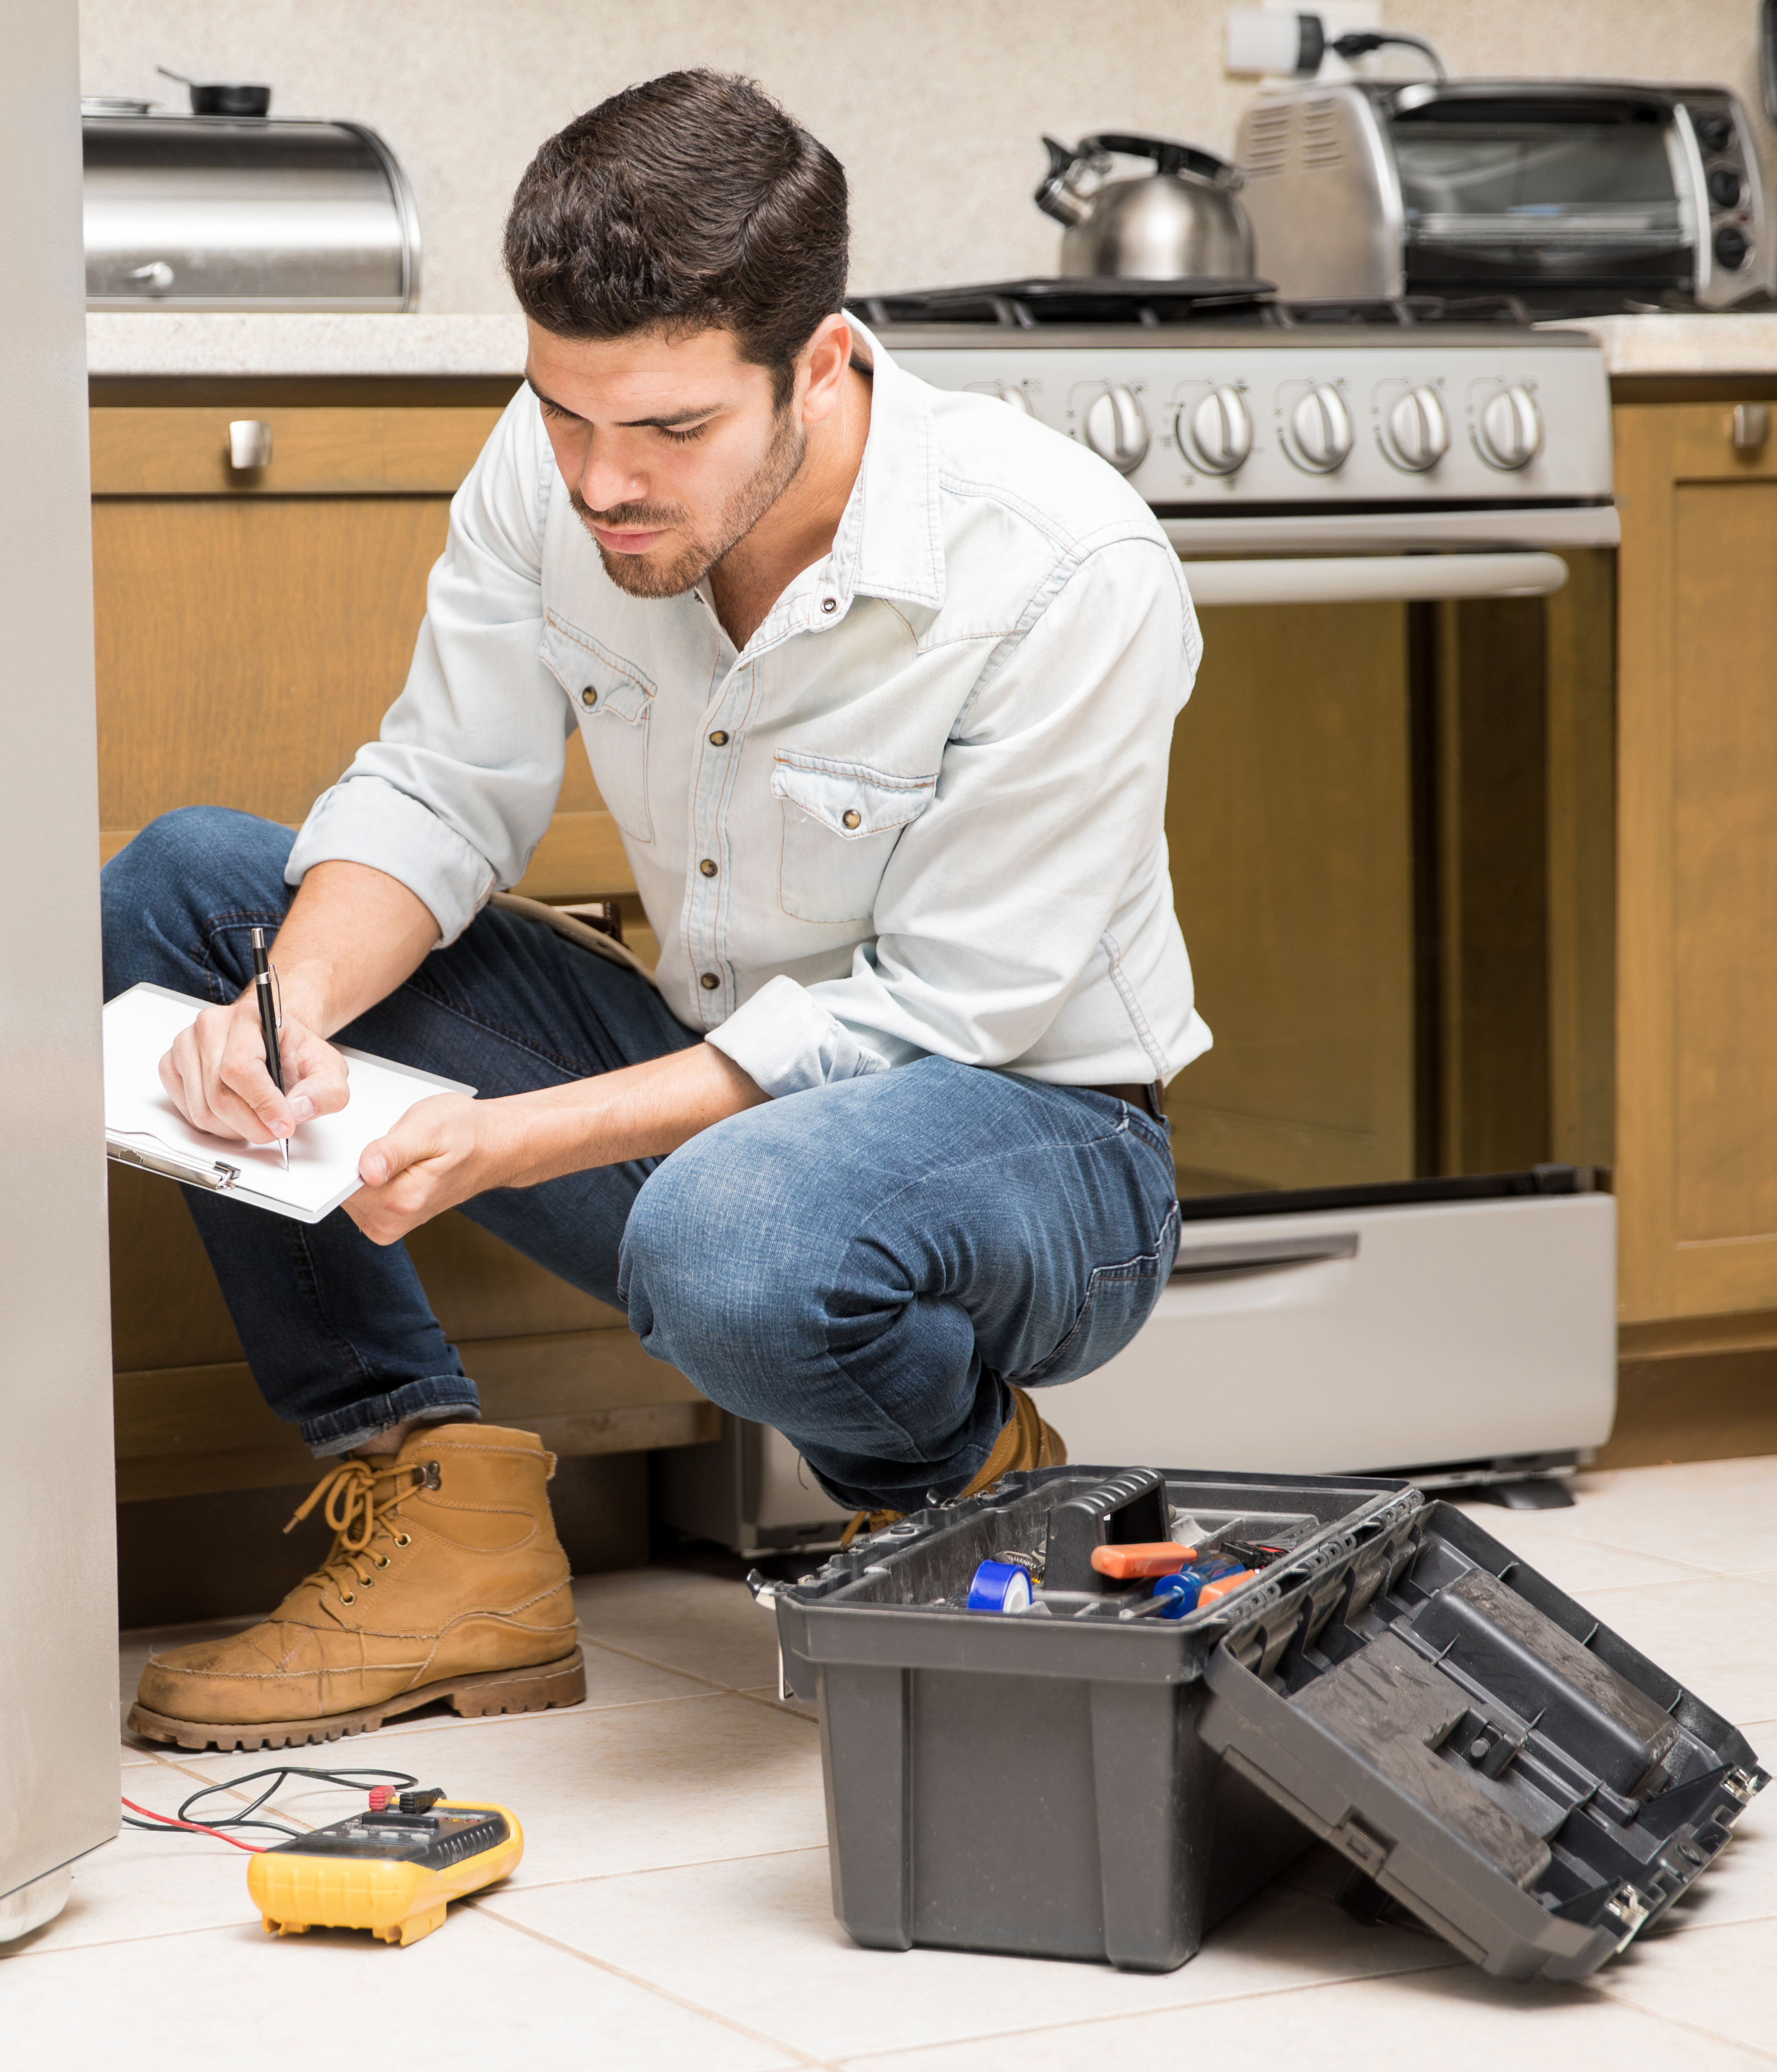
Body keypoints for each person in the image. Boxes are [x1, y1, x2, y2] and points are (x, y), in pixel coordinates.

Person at [103, 70, 1206, 1751]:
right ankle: (439, 1520)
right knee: (192, 891)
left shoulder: (1062, 568)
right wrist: (291, 1004)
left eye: (670, 433)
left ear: (818, 366)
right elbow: (441, 787)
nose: (602, 483)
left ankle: (961, 1482)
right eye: (565, 415)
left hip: (1037, 1141)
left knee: (736, 1235)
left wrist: (506, 1142)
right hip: (714, 1085)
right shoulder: (553, 467)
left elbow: (935, 1014)